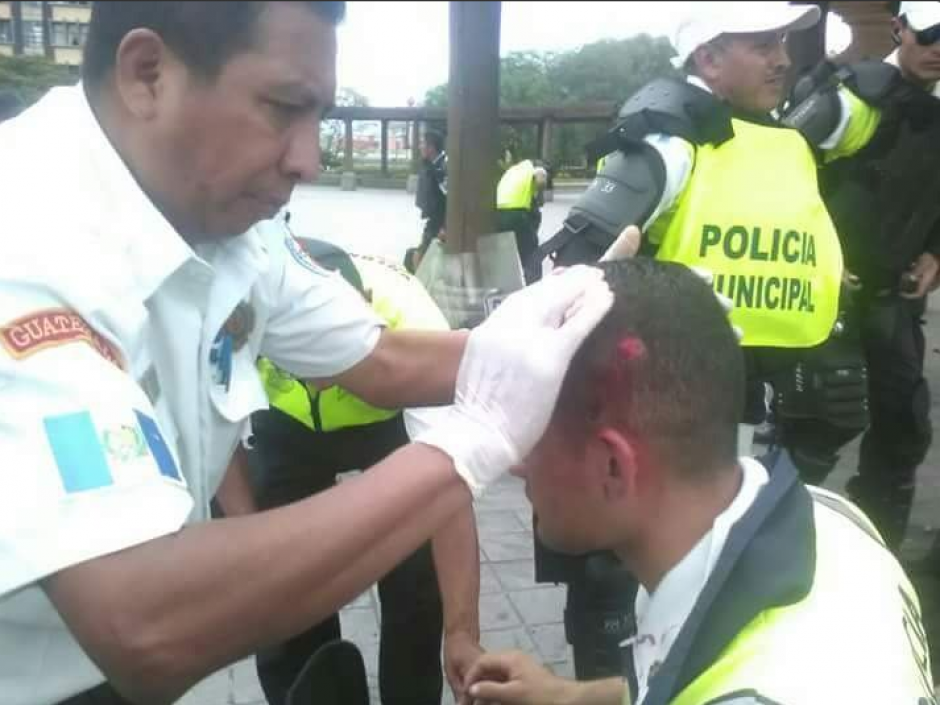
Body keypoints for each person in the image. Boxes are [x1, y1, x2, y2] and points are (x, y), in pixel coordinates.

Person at [0, 3, 614, 704]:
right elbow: (142, 623)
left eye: (317, 116)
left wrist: (546, 336)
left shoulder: (220, 216)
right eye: (283, 108)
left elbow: (378, 361)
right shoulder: (25, 238)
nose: (309, 158)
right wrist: (470, 443)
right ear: (148, 74)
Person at [532, 2, 887, 679]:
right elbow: (568, 263)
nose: (782, 57)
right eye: (760, 43)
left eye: (784, 41)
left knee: (716, 580)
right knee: (621, 585)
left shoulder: (777, 135)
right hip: (653, 413)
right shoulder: (668, 139)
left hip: (752, 409)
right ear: (707, 57)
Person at [461, 258, 934, 705]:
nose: (516, 462)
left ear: (613, 466)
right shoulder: (830, 517)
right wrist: (570, 696)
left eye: (532, 428)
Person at [240, 238, 477, 705]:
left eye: (335, 358)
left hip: (389, 420)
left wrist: (462, 631)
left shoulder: (414, 324)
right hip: (284, 426)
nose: (321, 375)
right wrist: (252, 551)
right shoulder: (244, 312)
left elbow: (449, 489)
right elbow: (224, 446)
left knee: (415, 578)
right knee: (285, 583)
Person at [783, 0, 940, 553]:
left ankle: (876, 552)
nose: (939, 49)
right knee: (820, 428)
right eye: (930, 35)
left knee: (904, 429)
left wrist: (935, 255)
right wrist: (817, 253)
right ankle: (768, 549)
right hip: (827, 296)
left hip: (893, 300)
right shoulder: (854, 98)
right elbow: (778, 168)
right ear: (900, 29)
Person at [496, 158, 549, 284]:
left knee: (507, 255)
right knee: (530, 253)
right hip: (517, 214)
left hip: (499, 213)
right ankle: (534, 287)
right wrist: (540, 193)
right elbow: (541, 180)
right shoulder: (533, 167)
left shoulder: (513, 170)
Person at [408, 129, 447, 273]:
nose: (420, 147)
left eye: (423, 143)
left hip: (441, 222)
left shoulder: (443, 167)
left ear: (431, 147)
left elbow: (448, 199)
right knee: (420, 255)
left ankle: (418, 289)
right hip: (434, 220)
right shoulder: (429, 165)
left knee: (420, 255)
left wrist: (446, 226)